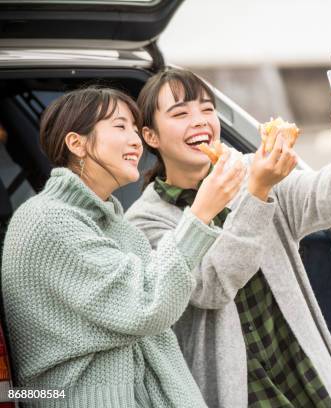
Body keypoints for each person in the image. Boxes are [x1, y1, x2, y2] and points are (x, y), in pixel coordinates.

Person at [126, 68, 331, 408]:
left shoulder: (251, 168)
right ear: (151, 136)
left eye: (206, 109)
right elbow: (211, 286)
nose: (200, 120)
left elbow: (330, 200)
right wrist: (258, 191)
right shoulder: (144, 222)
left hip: (299, 366)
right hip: (235, 388)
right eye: (181, 113)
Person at [1, 86, 245, 407]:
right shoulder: (48, 219)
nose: (135, 140)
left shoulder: (115, 222)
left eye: (134, 128)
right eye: (120, 127)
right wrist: (200, 213)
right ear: (77, 143)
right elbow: (149, 306)